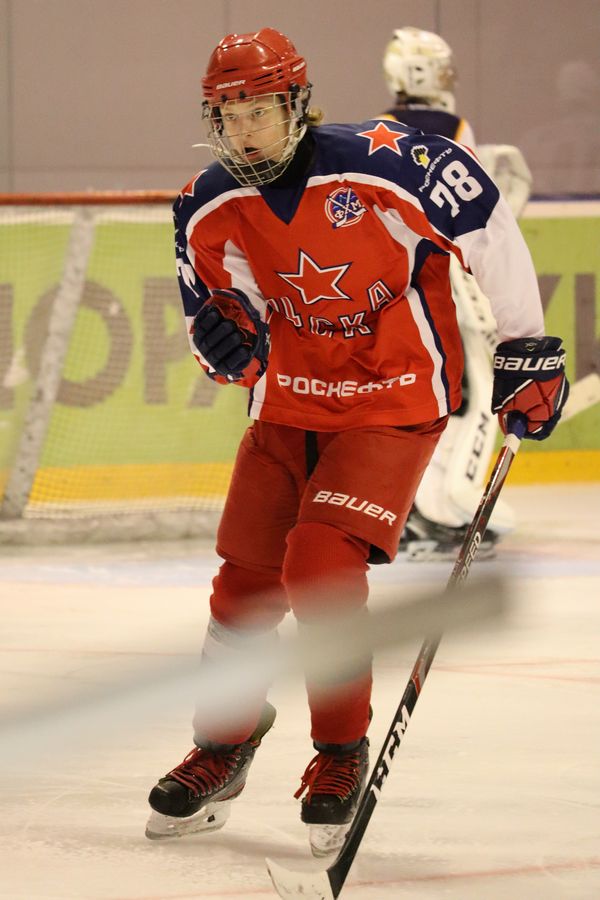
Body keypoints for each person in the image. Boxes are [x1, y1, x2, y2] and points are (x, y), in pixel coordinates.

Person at [145, 27, 569, 856]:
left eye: (260, 112)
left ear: (297, 104)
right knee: (242, 587)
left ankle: (339, 752)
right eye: (228, 117)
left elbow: (484, 219)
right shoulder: (205, 203)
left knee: (319, 566)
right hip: (287, 408)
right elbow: (216, 325)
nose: (244, 133)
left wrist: (525, 342)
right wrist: (225, 348)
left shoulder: (384, 162)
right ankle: (224, 742)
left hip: (393, 398)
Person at [380, 26, 534, 560]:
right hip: (447, 281)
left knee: (424, 399)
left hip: (396, 286)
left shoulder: (378, 129)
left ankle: (406, 510)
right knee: (476, 394)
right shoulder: (451, 127)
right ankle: (444, 509)